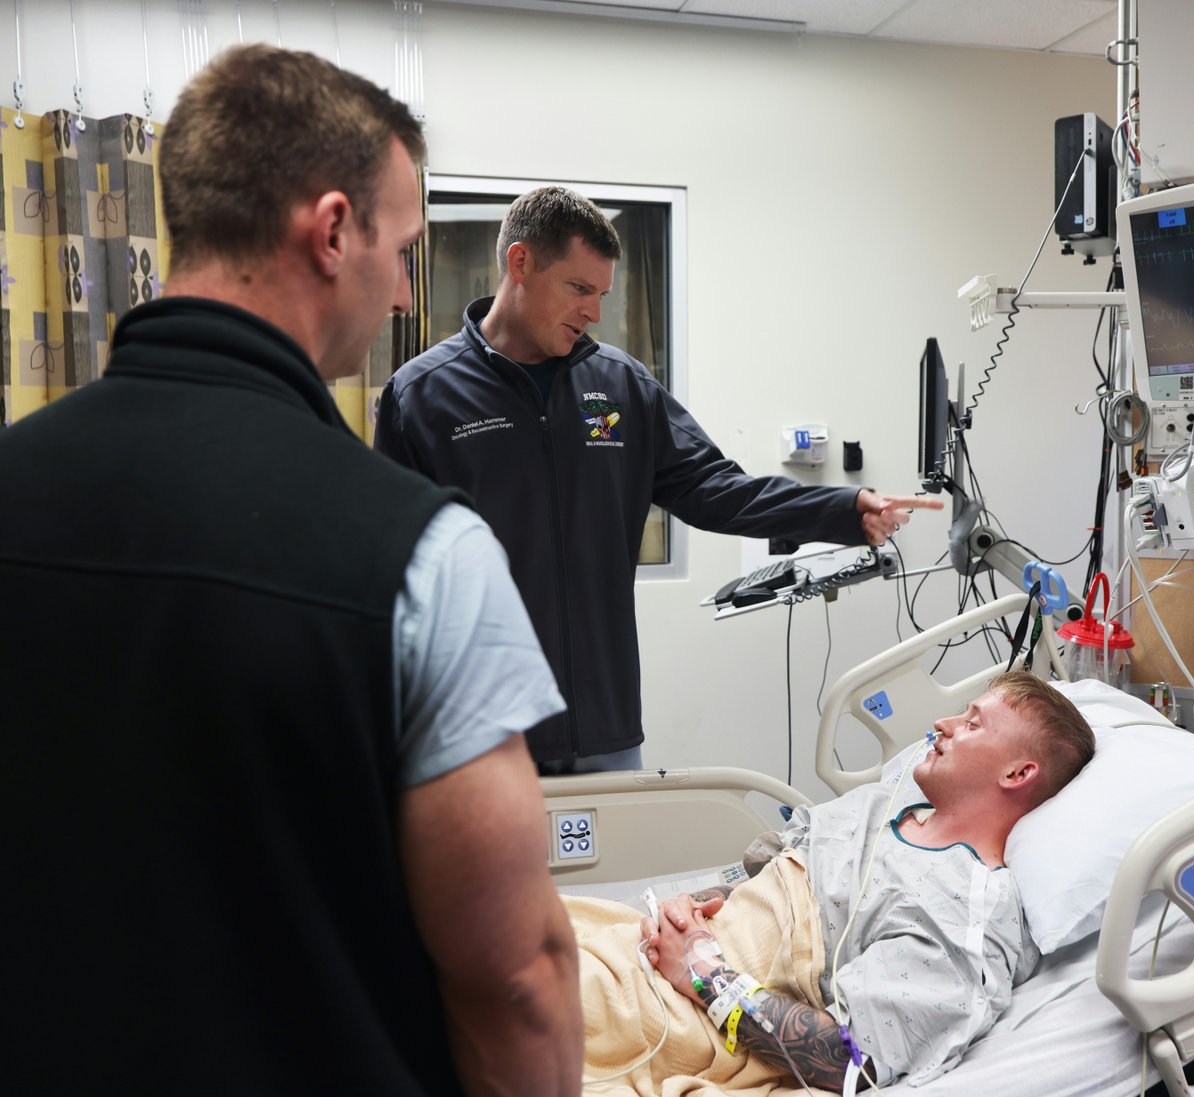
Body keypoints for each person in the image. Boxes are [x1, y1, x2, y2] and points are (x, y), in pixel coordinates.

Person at [0, 46, 580, 1096]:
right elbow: (516, 976)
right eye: (402, 248)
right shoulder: (420, 554)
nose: (405, 286)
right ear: (330, 231)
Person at [374, 185, 941, 775]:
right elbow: (392, 574)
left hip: (604, 727)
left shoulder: (622, 387)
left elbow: (718, 491)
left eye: (602, 294)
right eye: (578, 288)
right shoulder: (423, 397)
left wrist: (845, 509)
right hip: (478, 733)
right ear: (520, 264)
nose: (594, 312)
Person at [565, 672, 1095, 1093]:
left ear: (1018, 774)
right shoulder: (881, 806)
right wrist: (697, 906)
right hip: (648, 944)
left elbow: (849, 1058)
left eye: (973, 723)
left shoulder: (967, 909)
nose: (943, 722)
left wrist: (703, 972)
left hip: (684, 1010)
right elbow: (765, 879)